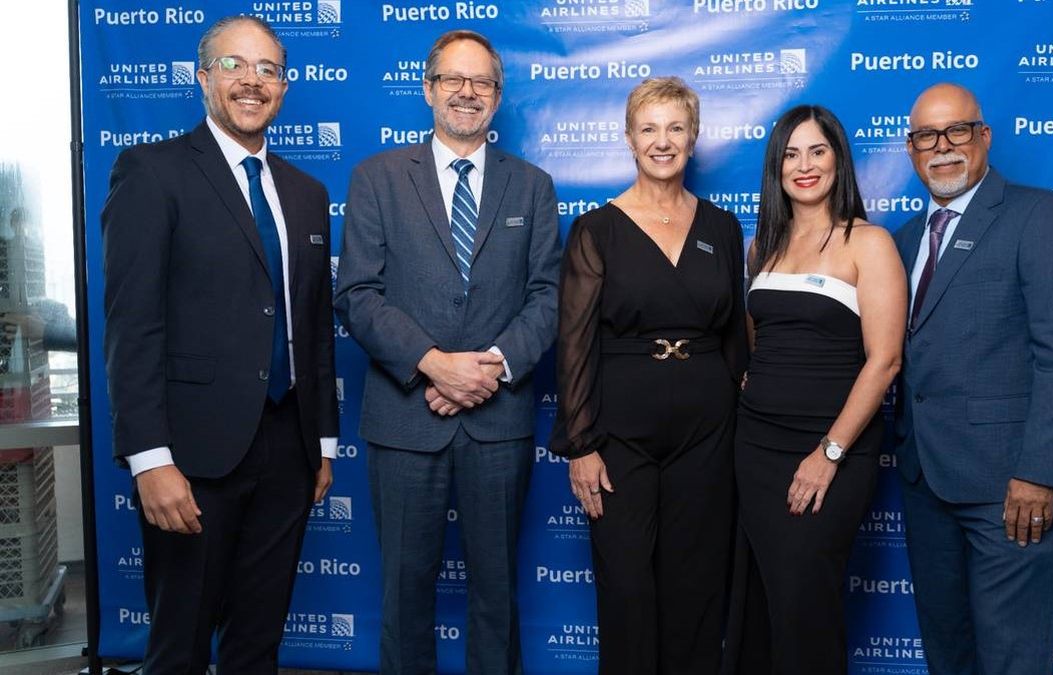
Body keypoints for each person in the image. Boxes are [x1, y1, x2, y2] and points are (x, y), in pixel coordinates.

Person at [101, 16, 337, 673]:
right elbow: (133, 323)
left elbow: (312, 325)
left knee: (257, 643)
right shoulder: (152, 173)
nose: (251, 82)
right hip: (193, 455)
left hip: (289, 449)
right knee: (178, 646)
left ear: (283, 88)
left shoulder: (306, 194)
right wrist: (151, 460)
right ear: (203, 78)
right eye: (234, 65)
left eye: (267, 70)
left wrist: (321, 443)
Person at [334, 29, 560, 674]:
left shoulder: (533, 186)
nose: (467, 92)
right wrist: (434, 363)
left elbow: (548, 295)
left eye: (482, 82)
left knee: (497, 593)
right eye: (453, 80)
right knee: (404, 593)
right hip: (406, 421)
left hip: (498, 421)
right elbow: (357, 292)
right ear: (427, 88)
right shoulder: (376, 178)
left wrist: (484, 371)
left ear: (497, 96)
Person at [893, 83, 1053, 674]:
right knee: (947, 652)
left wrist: (1038, 470)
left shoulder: (1043, 215)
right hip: (926, 480)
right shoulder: (904, 241)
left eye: (957, 131)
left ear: (983, 136)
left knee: (1012, 656)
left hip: (1012, 487)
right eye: (927, 136)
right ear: (911, 150)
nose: (943, 147)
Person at [551, 76, 748, 675]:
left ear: (694, 138)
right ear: (630, 140)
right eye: (649, 129)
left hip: (708, 432)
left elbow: (735, 339)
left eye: (675, 128)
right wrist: (580, 446)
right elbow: (575, 342)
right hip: (620, 434)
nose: (663, 141)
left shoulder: (723, 227)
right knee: (628, 586)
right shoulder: (597, 229)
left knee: (696, 585)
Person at [721, 105, 907, 674]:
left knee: (807, 601)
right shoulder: (762, 248)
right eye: (790, 154)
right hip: (755, 446)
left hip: (831, 448)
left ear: (838, 160)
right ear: (775, 166)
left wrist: (829, 454)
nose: (804, 165)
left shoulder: (867, 243)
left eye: (817, 151)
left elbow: (885, 361)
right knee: (761, 600)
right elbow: (761, 338)